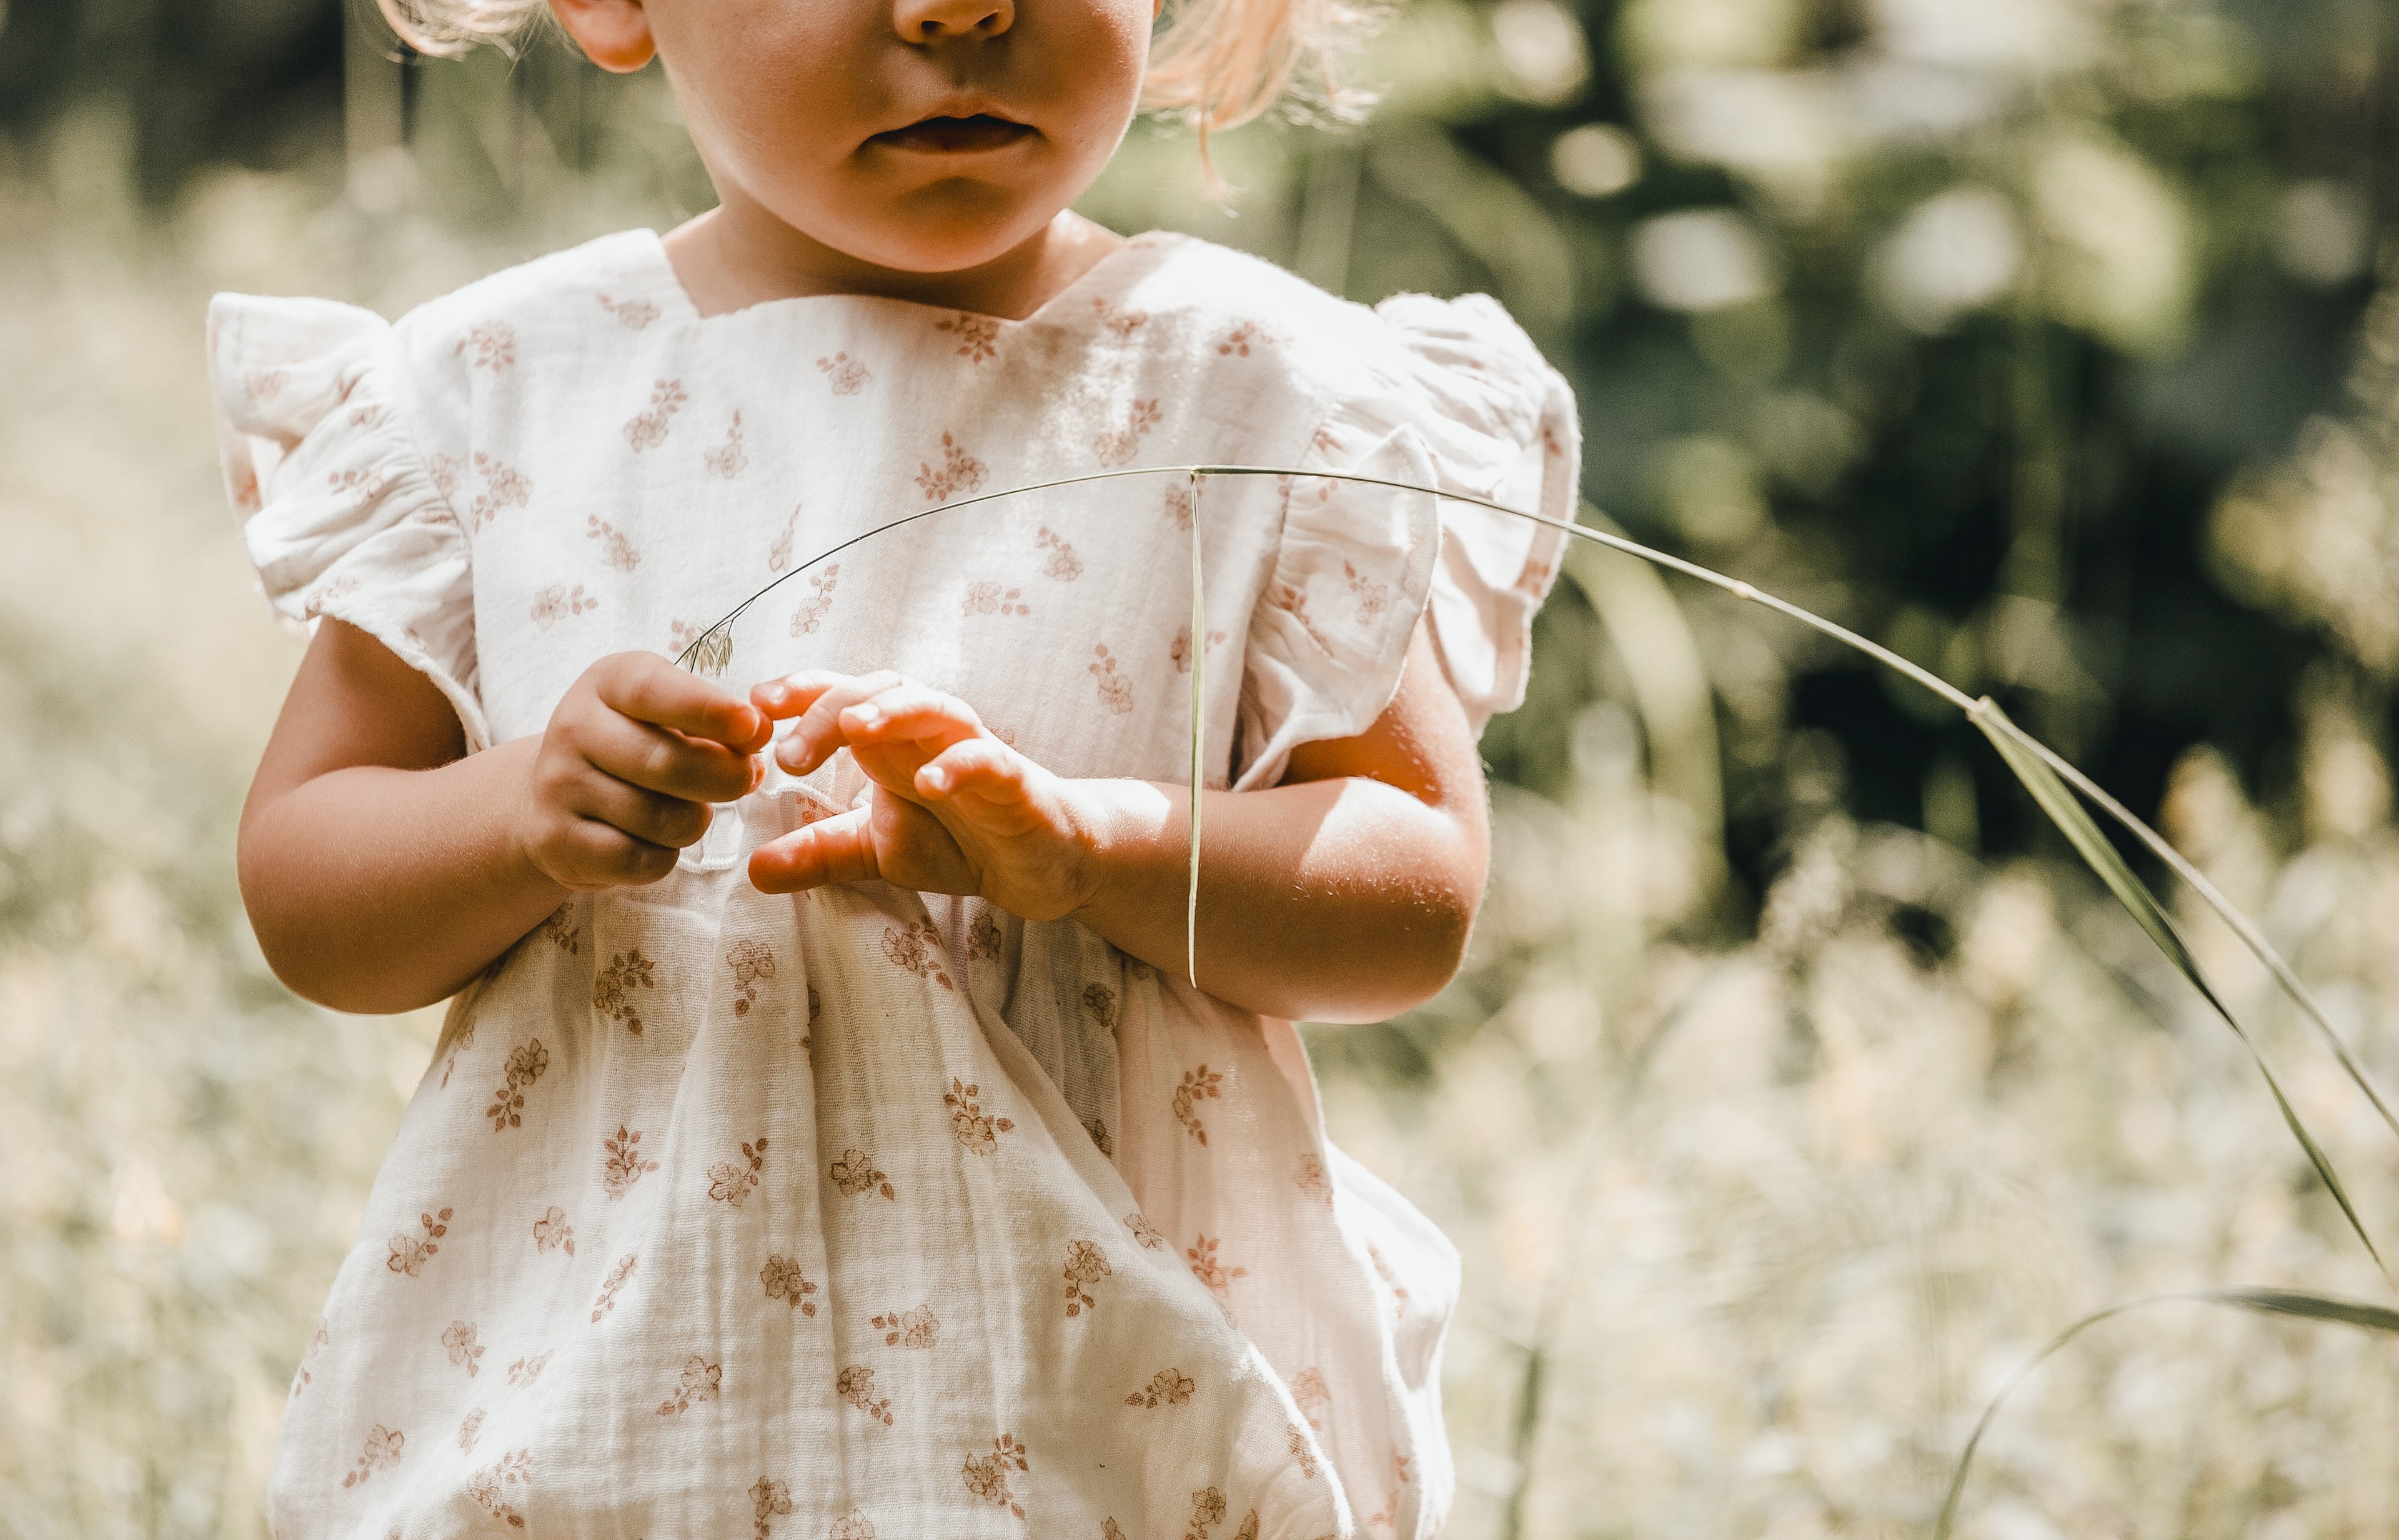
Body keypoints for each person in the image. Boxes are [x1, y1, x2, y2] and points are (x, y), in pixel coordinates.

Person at [212, 0, 1577, 1531]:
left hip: (1100, 1402)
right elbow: (308, 887)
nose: (958, 5)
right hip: (606, 1400)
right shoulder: (500, 393)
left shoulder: (1256, 392)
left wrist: (1096, 845)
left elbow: (1413, 886)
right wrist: (517, 809)